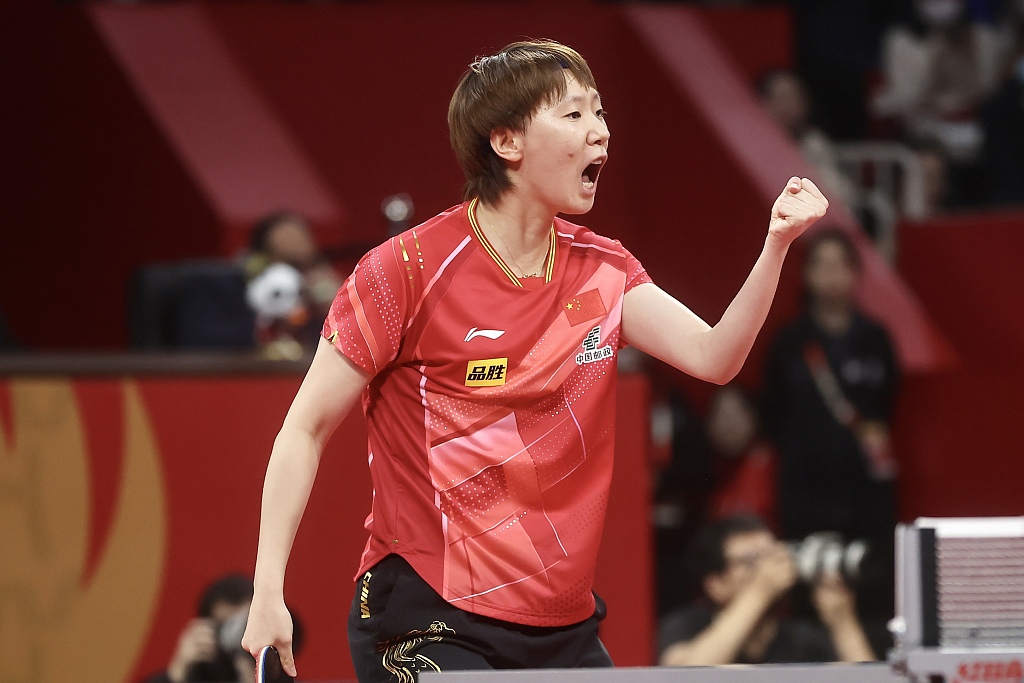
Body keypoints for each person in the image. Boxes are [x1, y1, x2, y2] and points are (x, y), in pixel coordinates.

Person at [240, 39, 829, 681]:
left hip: (562, 627)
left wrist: (776, 245)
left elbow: (714, 357)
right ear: (507, 143)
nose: (601, 133)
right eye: (574, 115)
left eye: (600, 114)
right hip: (428, 613)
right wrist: (267, 590)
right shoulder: (406, 271)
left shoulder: (602, 268)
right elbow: (305, 428)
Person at [761, 228, 899, 545]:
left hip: (865, 483)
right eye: (822, 265)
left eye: (840, 265)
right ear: (806, 274)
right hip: (805, 485)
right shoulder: (789, 341)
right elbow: (772, 408)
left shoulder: (876, 339)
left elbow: (889, 401)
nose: (831, 275)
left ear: (855, 272)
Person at [658, 515, 875, 666]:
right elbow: (684, 676)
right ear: (716, 585)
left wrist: (843, 623)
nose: (767, 568)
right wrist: (758, 593)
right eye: (751, 561)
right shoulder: (687, 625)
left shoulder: (802, 639)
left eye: (773, 554)